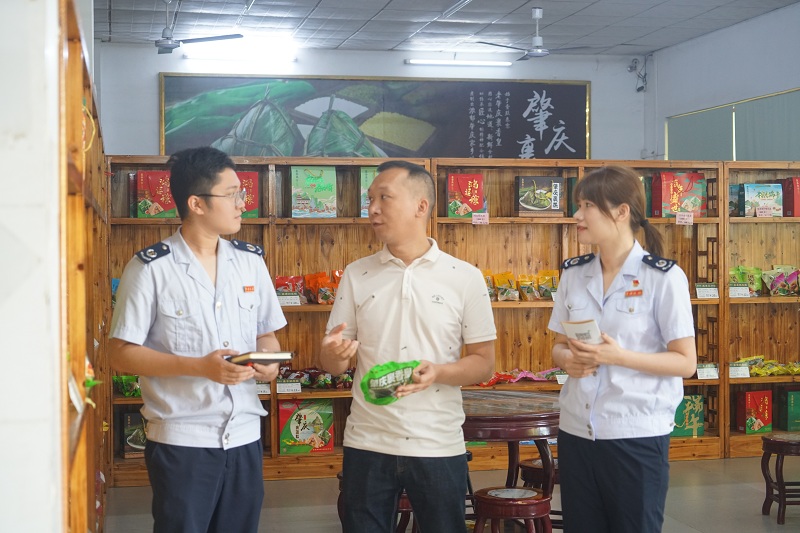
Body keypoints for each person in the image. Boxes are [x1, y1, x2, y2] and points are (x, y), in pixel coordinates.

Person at [109, 146, 287, 533]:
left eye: (242, 193)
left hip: (244, 435)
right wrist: (200, 368)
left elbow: (267, 334)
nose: (243, 203)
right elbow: (120, 353)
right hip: (182, 440)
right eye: (232, 194)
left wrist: (268, 362)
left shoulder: (251, 261)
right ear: (197, 203)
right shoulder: (151, 268)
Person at [319, 160, 496, 533]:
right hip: (367, 440)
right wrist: (333, 356)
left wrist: (439, 372)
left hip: (437, 442)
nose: (373, 209)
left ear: (421, 206)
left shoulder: (464, 277)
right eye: (370, 199)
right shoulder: (357, 273)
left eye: (384, 198)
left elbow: (484, 363)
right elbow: (333, 362)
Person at [548, 165, 698, 533]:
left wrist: (618, 357)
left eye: (587, 205)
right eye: (579, 205)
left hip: (636, 433)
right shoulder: (574, 274)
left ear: (621, 212)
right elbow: (558, 346)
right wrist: (568, 361)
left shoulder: (663, 277)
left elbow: (685, 362)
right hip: (576, 432)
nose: (577, 215)